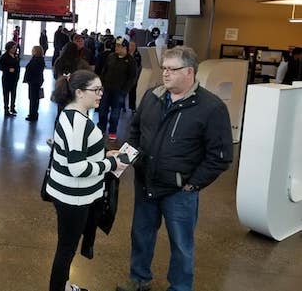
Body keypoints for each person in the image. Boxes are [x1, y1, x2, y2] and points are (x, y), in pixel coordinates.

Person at [116, 46, 233, 291]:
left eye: (172, 69)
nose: (165, 73)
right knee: (141, 235)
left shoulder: (211, 108)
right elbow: (135, 130)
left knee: (181, 244)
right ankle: (139, 279)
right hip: (146, 183)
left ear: (189, 72)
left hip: (179, 192)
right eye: (164, 68)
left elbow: (220, 157)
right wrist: (132, 159)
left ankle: (180, 287)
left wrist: (192, 184)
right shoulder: (152, 96)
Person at [47, 70, 124, 291]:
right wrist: (111, 164)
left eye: (101, 89)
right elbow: (78, 168)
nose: (101, 94)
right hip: (73, 197)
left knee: (66, 247)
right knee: (66, 249)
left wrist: (102, 155)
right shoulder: (77, 122)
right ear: (79, 92)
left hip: (68, 193)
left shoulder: (71, 113)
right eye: (96, 90)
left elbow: (77, 152)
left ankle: (65, 286)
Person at [98, 38, 137, 140]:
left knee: (115, 112)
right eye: (116, 45)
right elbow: (104, 70)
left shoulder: (131, 61)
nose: (116, 47)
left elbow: (132, 78)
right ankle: (101, 128)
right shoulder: (111, 57)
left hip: (119, 91)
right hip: (106, 88)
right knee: (102, 110)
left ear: (125, 47)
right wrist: (101, 83)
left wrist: (125, 90)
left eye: (119, 46)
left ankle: (112, 131)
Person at [23, 45, 45, 121]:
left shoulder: (37, 60)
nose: (32, 51)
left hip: (34, 81)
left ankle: (33, 115)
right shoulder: (39, 59)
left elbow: (33, 70)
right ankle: (33, 113)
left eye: (33, 50)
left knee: (33, 99)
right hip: (36, 81)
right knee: (34, 98)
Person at [0, 41, 20, 117]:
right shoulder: (4, 56)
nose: (15, 49)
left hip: (14, 78)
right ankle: (6, 109)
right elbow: (0, 67)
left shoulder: (16, 55)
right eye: (13, 47)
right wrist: (8, 69)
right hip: (7, 78)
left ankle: (12, 107)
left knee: (14, 93)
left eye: (15, 47)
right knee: (6, 94)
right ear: (9, 48)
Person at [128, 41, 142, 111]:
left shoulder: (137, 55)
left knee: (132, 92)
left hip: (134, 76)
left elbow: (138, 65)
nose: (131, 47)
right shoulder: (126, 54)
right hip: (126, 76)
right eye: (130, 46)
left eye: (133, 46)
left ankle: (132, 107)